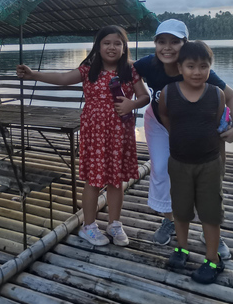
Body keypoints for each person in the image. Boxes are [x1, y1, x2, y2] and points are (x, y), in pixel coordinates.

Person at [17, 25, 150, 247]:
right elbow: (61, 78)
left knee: (116, 180)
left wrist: (133, 104)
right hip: (95, 134)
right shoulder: (89, 69)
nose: (112, 47)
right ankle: (88, 226)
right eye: (107, 42)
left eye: (118, 43)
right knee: (94, 181)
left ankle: (115, 224)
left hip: (121, 133)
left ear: (124, 47)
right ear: (98, 46)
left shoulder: (131, 70)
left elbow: (144, 96)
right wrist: (33, 74)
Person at [133, 19, 233, 256]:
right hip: (159, 122)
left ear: (185, 44)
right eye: (161, 41)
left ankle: (210, 229)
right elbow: (121, 67)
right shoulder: (147, 65)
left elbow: (231, 97)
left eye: (175, 41)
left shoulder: (199, 70)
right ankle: (169, 219)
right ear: (155, 44)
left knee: (209, 177)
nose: (167, 47)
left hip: (195, 127)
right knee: (162, 168)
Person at [160, 40, 229, 284]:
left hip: (209, 164)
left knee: (210, 213)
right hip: (178, 162)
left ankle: (213, 260)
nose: (197, 72)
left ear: (210, 68)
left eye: (203, 66)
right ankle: (182, 248)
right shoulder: (168, 93)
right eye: (190, 66)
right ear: (180, 68)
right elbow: (166, 118)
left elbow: (218, 125)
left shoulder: (216, 94)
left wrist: (220, 161)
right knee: (181, 209)